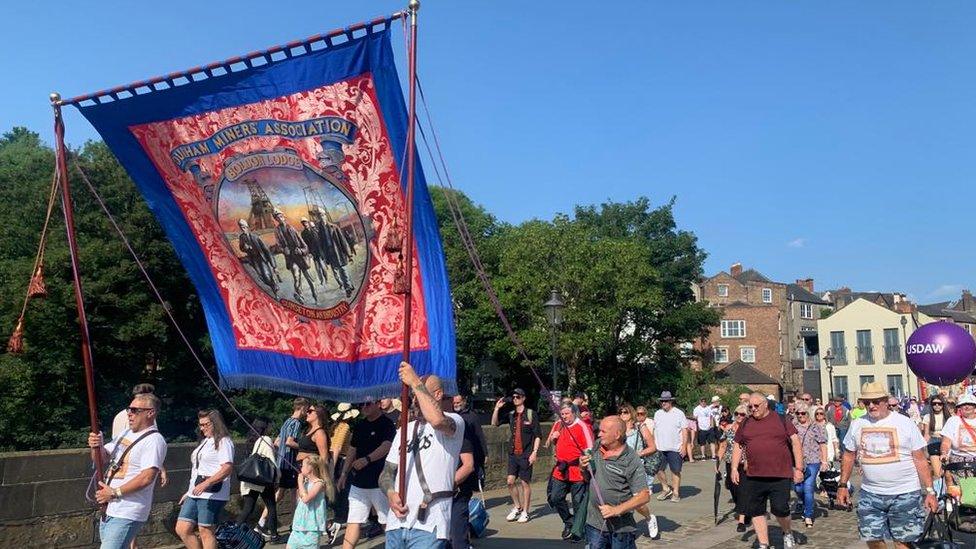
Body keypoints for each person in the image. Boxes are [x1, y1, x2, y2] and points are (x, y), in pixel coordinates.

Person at [836, 382, 938, 549]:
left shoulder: (904, 423)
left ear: (885, 401)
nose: (871, 406)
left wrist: (930, 491)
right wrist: (842, 485)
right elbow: (848, 455)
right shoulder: (858, 424)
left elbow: (920, 459)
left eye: (876, 401)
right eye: (866, 402)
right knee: (871, 537)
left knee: (902, 541)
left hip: (904, 492)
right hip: (871, 493)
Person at [379, 362, 465, 548]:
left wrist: (415, 382)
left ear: (438, 394)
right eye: (413, 396)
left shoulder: (455, 422)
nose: (415, 400)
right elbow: (386, 473)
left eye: (419, 394)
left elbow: (437, 420)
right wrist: (390, 493)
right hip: (396, 524)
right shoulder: (405, 430)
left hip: (429, 524)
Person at [88, 392, 167, 549]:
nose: (129, 414)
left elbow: (147, 477)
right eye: (129, 410)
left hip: (128, 510)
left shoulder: (154, 441)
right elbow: (102, 458)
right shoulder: (126, 433)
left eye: (135, 410)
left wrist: (115, 492)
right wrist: (96, 446)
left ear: (150, 413)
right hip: (111, 507)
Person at [731, 393, 804, 549]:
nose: (753, 409)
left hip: (780, 474)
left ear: (765, 405)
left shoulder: (781, 419)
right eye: (750, 406)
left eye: (756, 406)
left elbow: (796, 443)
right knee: (756, 510)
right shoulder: (746, 422)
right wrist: (734, 468)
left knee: (780, 509)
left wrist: (799, 468)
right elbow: (738, 444)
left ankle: (787, 531)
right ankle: (764, 543)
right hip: (754, 475)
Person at [580, 416, 651, 549]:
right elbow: (587, 478)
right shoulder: (597, 445)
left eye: (603, 431)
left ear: (617, 434)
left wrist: (615, 510)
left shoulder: (631, 459)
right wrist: (583, 467)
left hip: (621, 528)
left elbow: (644, 496)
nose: (599, 434)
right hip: (595, 523)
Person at [338, 398, 396, 549]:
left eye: (368, 404)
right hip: (359, 481)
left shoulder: (387, 424)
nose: (364, 407)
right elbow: (352, 449)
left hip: (380, 481)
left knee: (386, 522)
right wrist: (344, 473)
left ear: (378, 404)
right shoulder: (360, 426)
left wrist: (367, 459)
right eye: (361, 404)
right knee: (354, 520)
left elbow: (387, 446)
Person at [176, 410, 235, 549]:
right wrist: (189, 491)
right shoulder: (205, 441)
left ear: (216, 423)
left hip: (212, 492)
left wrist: (206, 483)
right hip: (196, 491)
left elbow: (227, 468)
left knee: (205, 530)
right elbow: (197, 470)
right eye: (200, 425)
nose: (202, 428)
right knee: (182, 528)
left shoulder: (223, 441)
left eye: (206, 424)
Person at [546, 402, 595, 541]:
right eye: (562, 414)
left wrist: (588, 469)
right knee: (555, 497)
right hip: (560, 469)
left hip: (577, 469)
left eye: (567, 413)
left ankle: (578, 531)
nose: (564, 416)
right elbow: (553, 443)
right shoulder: (559, 424)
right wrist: (553, 438)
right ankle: (569, 522)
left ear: (574, 413)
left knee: (578, 502)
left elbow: (590, 449)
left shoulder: (582, 426)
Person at [491, 388, 541, 523]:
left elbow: (537, 436)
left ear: (523, 398)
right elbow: (494, 424)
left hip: (526, 454)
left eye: (518, 396)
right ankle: (517, 507)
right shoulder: (511, 414)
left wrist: (534, 453)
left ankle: (526, 511)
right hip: (513, 454)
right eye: (513, 397)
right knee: (510, 482)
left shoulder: (531, 414)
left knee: (525, 483)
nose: (515, 399)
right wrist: (496, 409)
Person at [263, 397, 308, 535]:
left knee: (280, 494)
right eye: (306, 409)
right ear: (301, 408)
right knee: (295, 493)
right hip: (289, 462)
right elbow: (289, 442)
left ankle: (261, 522)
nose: (307, 412)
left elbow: (277, 442)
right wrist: (305, 447)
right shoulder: (296, 423)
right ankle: (295, 524)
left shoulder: (286, 422)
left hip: (280, 462)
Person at [236, 419, 281, 543]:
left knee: (248, 508)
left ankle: (234, 533)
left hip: (250, 479)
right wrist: (277, 478)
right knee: (271, 507)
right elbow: (271, 461)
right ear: (265, 428)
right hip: (263, 479)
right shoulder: (266, 439)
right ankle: (274, 535)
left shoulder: (250, 441)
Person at [620, 404, 659, 539]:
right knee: (623, 499)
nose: (622, 414)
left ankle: (649, 518)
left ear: (631, 413)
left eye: (625, 412)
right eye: (620, 412)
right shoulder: (618, 429)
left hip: (637, 467)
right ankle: (627, 529)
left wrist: (639, 453)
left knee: (637, 501)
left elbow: (652, 447)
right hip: (620, 468)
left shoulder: (640, 427)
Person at [791, 402, 827, 528]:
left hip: (813, 460)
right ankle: (804, 502)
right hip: (797, 462)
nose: (800, 415)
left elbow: (822, 444)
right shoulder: (792, 426)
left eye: (803, 413)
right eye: (798, 413)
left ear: (808, 414)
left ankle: (808, 515)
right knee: (798, 488)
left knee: (808, 487)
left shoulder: (816, 427)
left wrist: (824, 461)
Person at [716, 404, 749, 532]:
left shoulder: (749, 429)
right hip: (730, 463)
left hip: (745, 464)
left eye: (742, 414)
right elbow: (723, 446)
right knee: (732, 488)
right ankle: (742, 508)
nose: (739, 417)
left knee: (743, 490)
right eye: (737, 414)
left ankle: (741, 520)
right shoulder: (728, 429)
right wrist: (717, 463)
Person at [273, 210, 317, 303]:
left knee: (309, 278)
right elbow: (278, 245)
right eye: (277, 218)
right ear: (276, 219)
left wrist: (301, 250)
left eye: (281, 217)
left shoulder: (291, 228)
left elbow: (304, 245)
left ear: (283, 217)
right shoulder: (277, 231)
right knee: (296, 277)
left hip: (300, 257)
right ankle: (300, 295)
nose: (279, 219)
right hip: (290, 258)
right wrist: (283, 250)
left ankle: (315, 297)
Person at [288, 454, 330, 549]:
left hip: (311, 528)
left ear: (310, 467)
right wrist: (301, 485)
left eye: (302, 465)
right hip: (298, 526)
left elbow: (306, 499)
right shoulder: (305, 483)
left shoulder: (319, 483)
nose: (301, 467)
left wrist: (299, 483)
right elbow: (300, 501)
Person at [653, 391, 687, 502]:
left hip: (675, 447)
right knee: (658, 469)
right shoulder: (657, 413)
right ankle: (666, 489)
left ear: (671, 401)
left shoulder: (679, 413)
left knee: (675, 470)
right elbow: (655, 430)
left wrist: (684, 446)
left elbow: (684, 430)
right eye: (662, 401)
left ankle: (676, 493)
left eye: (666, 401)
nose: (663, 403)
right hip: (660, 447)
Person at [238, 218, 279, 293]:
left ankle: (273, 285)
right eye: (241, 228)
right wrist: (244, 248)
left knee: (266, 274)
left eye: (244, 227)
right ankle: (272, 284)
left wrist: (274, 265)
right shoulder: (242, 237)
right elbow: (241, 248)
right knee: (261, 276)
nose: (242, 229)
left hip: (261, 258)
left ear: (247, 227)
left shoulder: (255, 237)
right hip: (253, 260)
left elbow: (266, 250)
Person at [939, 392, 976, 465]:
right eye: (963, 405)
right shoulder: (953, 420)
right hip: (958, 460)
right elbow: (946, 442)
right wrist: (944, 453)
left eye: (970, 404)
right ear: (960, 408)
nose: (967, 406)